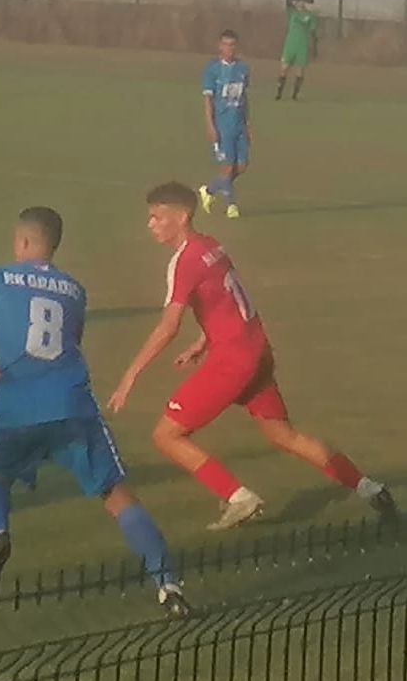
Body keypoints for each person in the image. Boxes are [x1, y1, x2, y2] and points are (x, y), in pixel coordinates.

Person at [0, 207, 188, 617]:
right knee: (118, 496)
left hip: (15, 407)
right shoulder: (75, 290)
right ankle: (168, 585)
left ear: (22, 241)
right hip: (72, 406)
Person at [108, 182, 395, 530]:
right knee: (283, 435)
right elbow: (229, 300)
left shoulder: (184, 261)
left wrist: (130, 376)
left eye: (157, 217)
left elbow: (168, 327)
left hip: (233, 361)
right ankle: (369, 488)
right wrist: (203, 340)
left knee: (166, 436)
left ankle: (238, 497)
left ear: (181, 217)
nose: (150, 224)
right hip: (257, 351)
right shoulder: (211, 246)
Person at [197, 30, 250, 220]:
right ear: (220, 46)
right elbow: (208, 100)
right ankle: (231, 205)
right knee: (227, 167)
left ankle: (209, 190)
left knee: (241, 167)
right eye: (226, 44)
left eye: (232, 45)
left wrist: (248, 123)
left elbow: (244, 98)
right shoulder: (212, 70)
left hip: (239, 124)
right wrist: (210, 125)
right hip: (223, 125)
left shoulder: (243, 69)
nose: (229, 48)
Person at [276, 0, 317, 101]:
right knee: (284, 69)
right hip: (290, 44)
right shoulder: (292, 12)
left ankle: (295, 95)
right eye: (299, 1)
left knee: (300, 71)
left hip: (302, 45)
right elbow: (287, 2)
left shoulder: (310, 15)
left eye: (302, 1)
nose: (300, 3)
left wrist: (314, 47)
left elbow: (313, 31)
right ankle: (279, 93)